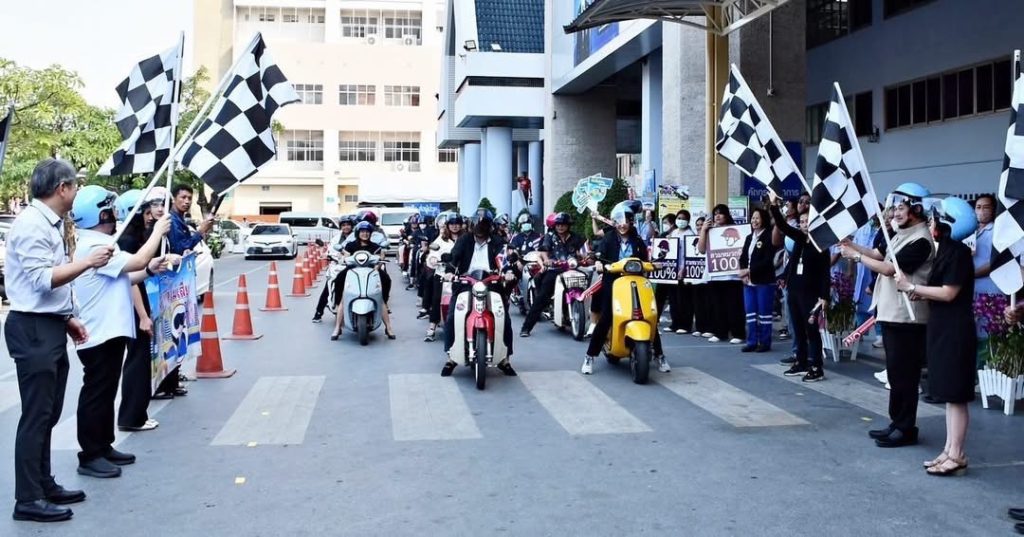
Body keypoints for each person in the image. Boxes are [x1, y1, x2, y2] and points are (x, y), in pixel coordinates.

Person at [6, 160, 114, 523]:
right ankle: (28, 498)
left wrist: (67, 318)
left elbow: (42, 287)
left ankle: (43, 483)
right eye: (75, 186)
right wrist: (88, 262)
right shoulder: (32, 224)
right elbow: (41, 280)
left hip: (48, 324)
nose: (76, 193)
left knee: (49, 413)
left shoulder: (49, 223)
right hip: (33, 328)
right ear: (62, 188)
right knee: (37, 415)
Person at [70, 185, 173, 479]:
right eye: (111, 210)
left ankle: (103, 446)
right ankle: (90, 454)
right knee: (96, 394)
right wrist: (157, 233)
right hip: (98, 333)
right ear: (102, 214)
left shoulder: (102, 243)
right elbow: (136, 261)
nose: (116, 215)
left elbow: (126, 275)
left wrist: (151, 269)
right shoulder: (94, 247)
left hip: (109, 331)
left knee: (106, 392)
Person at [841, 183, 935, 448]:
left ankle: (906, 427)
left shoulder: (921, 240)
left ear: (917, 210)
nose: (895, 213)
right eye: (895, 208)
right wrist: (853, 246)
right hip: (893, 313)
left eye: (901, 208)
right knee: (895, 373)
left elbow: (888, 268)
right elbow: (878, 254)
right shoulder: (902, 234)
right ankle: (897, 422)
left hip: (908, 316)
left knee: (905, 375)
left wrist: (856, 258)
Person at [893, 196, 976, 476]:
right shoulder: (947, 251)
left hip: (955, 329)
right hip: (942, 326)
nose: (930, 224)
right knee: (949, 395)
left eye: (933, 219)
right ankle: (950, 450)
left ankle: (957, 453)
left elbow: (949, 292)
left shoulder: (958, 253)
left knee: (956, 394)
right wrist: (918, 291)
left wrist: (911, 287)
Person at [582, 201, 669, 375]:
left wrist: (655, 264)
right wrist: (599, 263)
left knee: (648, 316)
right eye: (619, 221)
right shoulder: (608, 238)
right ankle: (590, 356)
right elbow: (600, 255)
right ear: (615, 222)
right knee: (607, 316)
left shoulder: (637, 240)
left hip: (636, 280)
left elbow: (645, 260)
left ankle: (660, 355)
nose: (622, 225)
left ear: (631, 222)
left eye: (626, 221)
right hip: (613, 280)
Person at [114, 191, 170, 433]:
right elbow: (130, 281)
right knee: (137, 361)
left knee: (140, 359)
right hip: (134, 307)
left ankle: (135, 414)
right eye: (146, 212)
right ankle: (132, 416)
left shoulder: (135, 238)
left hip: (138, 304)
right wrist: (144, 316)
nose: (151, 216)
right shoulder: (126, 241)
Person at [440, 214, 517, 377]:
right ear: (471, 226)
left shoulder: (497, 241)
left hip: (491, 282)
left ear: (490, 226)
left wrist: (508, 272)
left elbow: (504, 261)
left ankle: (505, 359)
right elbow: (454, 258)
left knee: (503, 317)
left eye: (483, 225)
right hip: (466, 282)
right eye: (477, 225)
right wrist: (449, 272)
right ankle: (451, 357)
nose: (480, 228)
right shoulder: (464, 240)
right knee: (453, 315)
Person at [769, 196, 830, 381]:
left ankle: (816, 366)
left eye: (807, 221)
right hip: (794, 290)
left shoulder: (821, 245)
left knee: (811, 330)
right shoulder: (798, 238)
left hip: (811, 294)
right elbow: (783, 225)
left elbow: (825, 273)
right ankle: (801, 362)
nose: (804, 225)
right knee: (797, 328)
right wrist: (774, 206)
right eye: (802, 221)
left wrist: (824, 296)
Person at [520, 212, 586, 337]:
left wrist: (586, 258)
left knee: (586, 285)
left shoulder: (576, 237)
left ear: (568, 225)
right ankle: (526, 328)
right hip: (554, 269)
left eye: (563, 224)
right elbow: (544, 251)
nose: (560, 227)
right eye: (558, 224)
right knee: (542, 297)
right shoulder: (550, 236)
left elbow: (584, 251)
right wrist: (547, 260)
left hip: (572, 269)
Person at [331, 221, 396, 340]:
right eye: (362, 232)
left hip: (371, 272)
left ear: (370, 233)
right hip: (353, 271)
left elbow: (380, 259)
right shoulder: (351, 245)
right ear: (358, 233)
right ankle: (337, 326)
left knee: (386, 280)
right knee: (339, 280)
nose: (365, 234)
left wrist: (377, 267)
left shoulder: (375, 247)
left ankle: (388, 327)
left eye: (367, 232)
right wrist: (343, 257)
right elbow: (345, 256)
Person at [697, 204, 745, 344]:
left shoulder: (736, 230)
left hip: (732, 276)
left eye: (720, 213)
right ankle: (720, 332)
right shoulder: (710, 231)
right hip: (715, 274)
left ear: (727, 215)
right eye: (715, 213)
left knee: (734, 306)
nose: (717, 216)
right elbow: (701, 249)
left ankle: (738, 333)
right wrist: (704, 230)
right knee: (717, 306)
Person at [738, 207, 778, 353]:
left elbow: (767, 261)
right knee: (750, 313)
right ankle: (752, 341)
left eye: (757, 218)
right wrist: (743, 273)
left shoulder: (768, 236)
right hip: (748, 282)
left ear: (764, 220)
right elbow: (743, 257)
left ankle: (765, 342)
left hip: (764, 281)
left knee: (764, 313)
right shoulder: (749, 237)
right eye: (753, 218)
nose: (754, 221)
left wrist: (748, 271)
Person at [424, 214, 466, 341]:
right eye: (452, 224)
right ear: (447, 225)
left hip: (462, 275)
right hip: (443, 274)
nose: (454, 226)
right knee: (437, 298)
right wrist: (434, 259)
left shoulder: (466, 239)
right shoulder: (441, 239)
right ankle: (432, 326)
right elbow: (433, 252)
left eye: (457, 223)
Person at [313, 215, 355, 323]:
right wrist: (331, 255)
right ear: (341, 227)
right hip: (338, 266)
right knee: (329, 286)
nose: (346, 227)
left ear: (352, 226)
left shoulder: (356, 237)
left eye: (348, 225)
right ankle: (318, 312)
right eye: (344, 225)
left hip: (353, 266)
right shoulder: (336, 238)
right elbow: (330, 251)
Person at [168, 183, 213, 256]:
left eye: (190, 198)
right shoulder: (172, 220)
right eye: (183, 197)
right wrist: (201, 231)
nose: (187, 201)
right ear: (174, 199)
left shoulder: (180, 219)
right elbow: (180, 249)